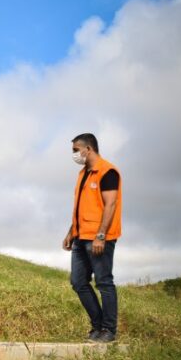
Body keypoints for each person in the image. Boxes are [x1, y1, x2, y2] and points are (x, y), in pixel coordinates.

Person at [62, 133, 122, 343]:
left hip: (98, 238)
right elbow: (82, 206)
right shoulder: (83, 174)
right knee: (78, 281)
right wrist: (71, 232)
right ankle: (97, 326)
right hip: (80, 237)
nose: (75, 154)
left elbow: (110, 204)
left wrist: (101, 235)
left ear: (89, 148)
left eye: (76, 150)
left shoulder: (107, 171)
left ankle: (109, 330)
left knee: (104, 282)